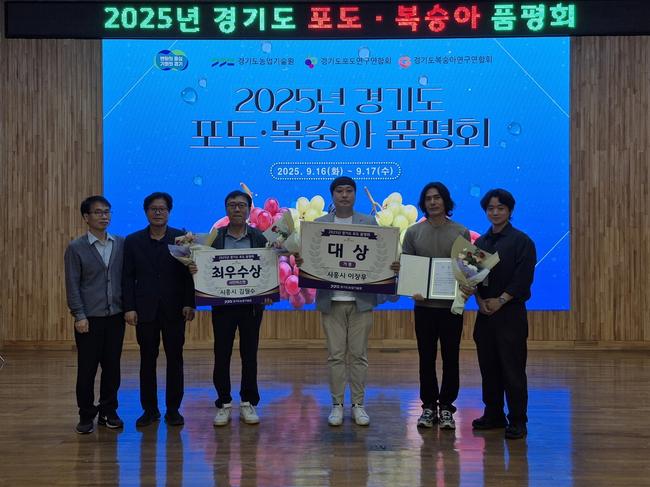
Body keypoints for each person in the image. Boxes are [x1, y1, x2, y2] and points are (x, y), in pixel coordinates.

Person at [297, 176, 399, 427]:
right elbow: (311, 258)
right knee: (335, 355)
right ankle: (337, 405)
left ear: (355, 194)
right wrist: (303, 262)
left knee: (358, 355)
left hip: (361, 302)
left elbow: (381, 254)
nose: (344, 195)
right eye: (340, 191)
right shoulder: (319, 225)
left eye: (349, 191)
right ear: (332, 195)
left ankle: (358, 405)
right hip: (331, 301)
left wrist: (392, 265)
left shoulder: (369, 222)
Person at [189, 190, 269, 426]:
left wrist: (268, 291)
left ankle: (248, 402)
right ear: (226, 209)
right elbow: (205, 267)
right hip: (222, 306)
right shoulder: (215, 237)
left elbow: (268, 267)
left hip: (251, 307)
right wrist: (195, 268)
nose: (237, 209)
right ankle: (223, 402)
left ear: (249, 210)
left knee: (249, 354)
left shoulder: (259, 237)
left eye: (241, 205)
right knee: (221, 354)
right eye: (232, 205)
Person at [123, 192, 196, 427]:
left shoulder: (181, 239)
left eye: (162, 209)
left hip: (175, 310)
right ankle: (150, 410)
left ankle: (173, 409)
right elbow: (127, 277)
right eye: (153, 209)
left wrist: (189, 302)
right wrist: (129, 308)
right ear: (146, 212)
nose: (158, 212)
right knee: (147, 360)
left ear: (169, 212)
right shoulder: (132, 241)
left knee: (175, 359)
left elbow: (188, 275)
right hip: (145, 310)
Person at [402, 182, 470, 430]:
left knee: (451, 358)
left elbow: (467, 271)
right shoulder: (413, 233)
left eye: (437, 197)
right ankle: (429, 406)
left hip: (452, 308)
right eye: (428, 198)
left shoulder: (461, 231)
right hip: (424, 308)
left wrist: (468, 286)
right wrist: (411, 288)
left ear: (446, 201)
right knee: (426, 358)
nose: (433, 202)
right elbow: (408, 269)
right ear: (423, 203)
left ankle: (448, 407)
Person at [469, 189, 536, 440]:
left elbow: (523, 279)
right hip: (485, 314)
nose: (495, 212)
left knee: (512, 369)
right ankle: (493, 414)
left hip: (511, 315)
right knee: (488, 368)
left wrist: (501, 300)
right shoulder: (480, 243)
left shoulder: (522, 241)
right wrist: (479, 301)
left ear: (510, 210)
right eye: (490, 208)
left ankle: (518, 419)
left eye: (500, 208)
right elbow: (473, 279)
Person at [64, 195, 125, 434]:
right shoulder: (76, 248)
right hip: (88, 319)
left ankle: (109, 411)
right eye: (98, 212)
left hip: (115, 317)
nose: (104, 216)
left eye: (107, 212)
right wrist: (79, 315)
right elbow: (72, 284)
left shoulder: (120, 243)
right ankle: (86, 414)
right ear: (86, 217)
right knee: (87, 370)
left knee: (112, 368)